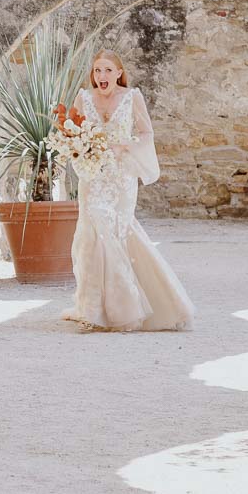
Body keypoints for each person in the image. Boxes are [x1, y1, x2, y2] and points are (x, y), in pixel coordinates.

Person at [60, 49, 194, 332]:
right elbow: (71, 131)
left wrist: (123, 146)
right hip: (94, 177)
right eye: (98, 70)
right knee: (92, 232)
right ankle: (93, 308)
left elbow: (147, 134)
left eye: (108, 70)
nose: (102, 76)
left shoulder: (132, 97)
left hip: (122, 177)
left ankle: (128, 308)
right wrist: (77, 147)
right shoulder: (84, 98)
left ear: (119, 73)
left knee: (119, 231)